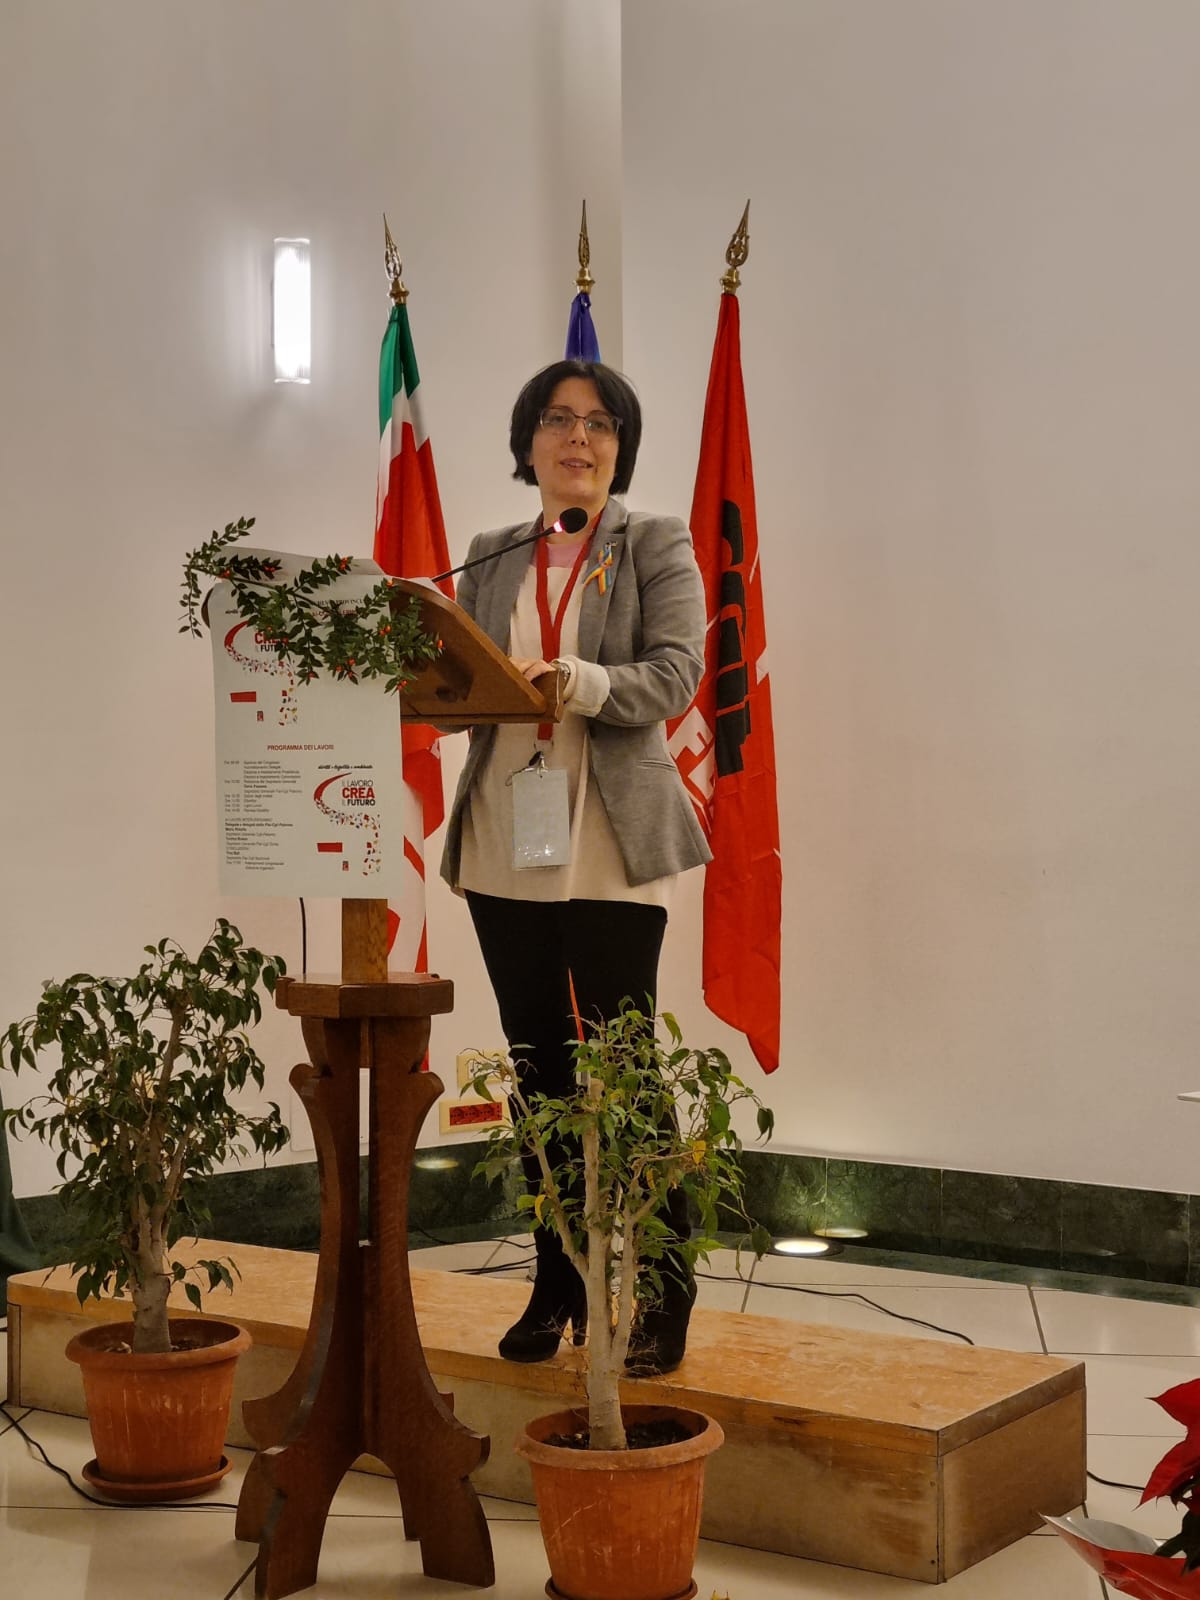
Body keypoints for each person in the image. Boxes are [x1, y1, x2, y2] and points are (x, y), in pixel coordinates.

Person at [440, 359, 711, 1375]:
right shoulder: (491, 551)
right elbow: (461, 676)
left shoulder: (654, 541)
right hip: (506, 829)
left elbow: (676, 673)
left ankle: (665, 1284)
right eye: (558, 419)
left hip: (609, 835)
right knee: (536, 1068)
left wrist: (580, 681)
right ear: (528, 443)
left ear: (619, 447)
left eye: (600, 423)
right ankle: (559, 1278)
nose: (578, 438)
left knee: (622, 1068)